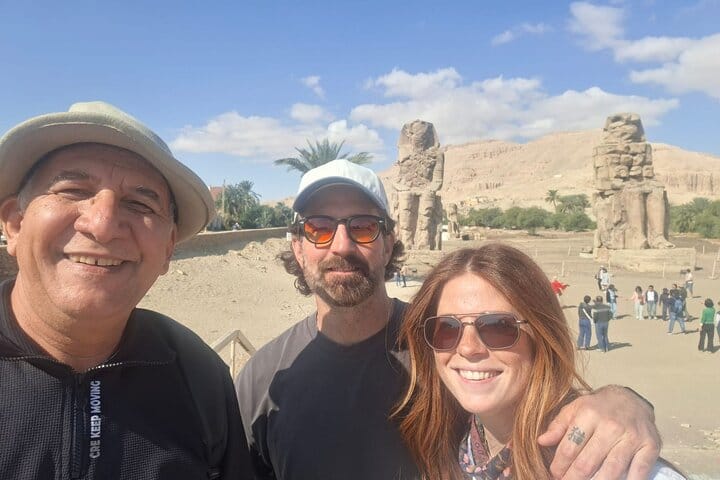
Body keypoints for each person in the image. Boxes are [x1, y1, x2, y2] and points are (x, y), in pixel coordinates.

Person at [236, 160, 663, 480]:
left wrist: (624, 401)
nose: (342, 245)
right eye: (319, 228)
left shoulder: (441, 342)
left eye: (363, 227)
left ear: (389, 243)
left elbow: (539, 400)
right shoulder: (262, 378)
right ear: (298, 247)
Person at [0, 102, 252, 479]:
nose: (103, 225)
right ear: (15, 225)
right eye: (73, 190)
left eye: (139, 203)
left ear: (167, 248)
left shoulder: (198, 377)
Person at [396, 245, 682, 480]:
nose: (468, 348)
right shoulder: (447, 441)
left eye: (498, 327)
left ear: (542, 337)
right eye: (447, 329)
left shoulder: (609, 465)